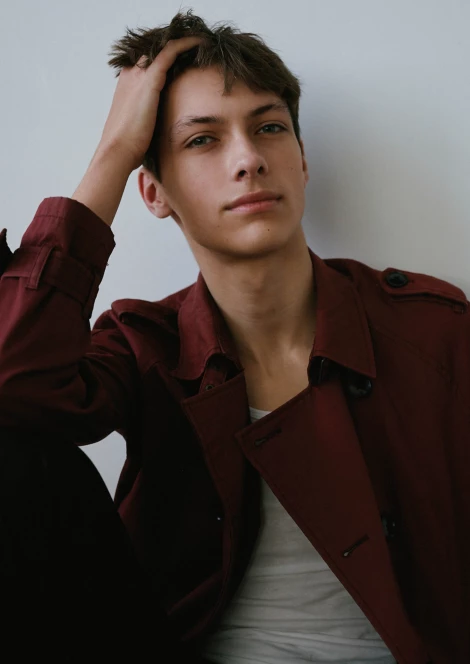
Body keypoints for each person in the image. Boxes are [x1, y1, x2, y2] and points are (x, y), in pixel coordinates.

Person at [0, 8, 468, 664]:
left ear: (301, 160)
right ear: (153, 192)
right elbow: (13, 387)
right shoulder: (145, 347)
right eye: (202, 140)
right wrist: (112, 153)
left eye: (269, 127)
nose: (248, 159)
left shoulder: (431, 329)